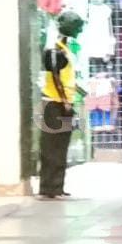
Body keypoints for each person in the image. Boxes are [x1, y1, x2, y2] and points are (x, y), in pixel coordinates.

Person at [38, 10, 85, 199]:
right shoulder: (54, 50)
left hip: (64, 103)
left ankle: (57, 187)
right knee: (52, 147)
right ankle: (48, 188)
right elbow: (55, 77)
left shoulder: (64, 49)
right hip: (54, 104)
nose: (79, 31)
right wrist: (65, 100)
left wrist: (78, 92)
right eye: (77, 27)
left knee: (61, 146)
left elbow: (64, 77)